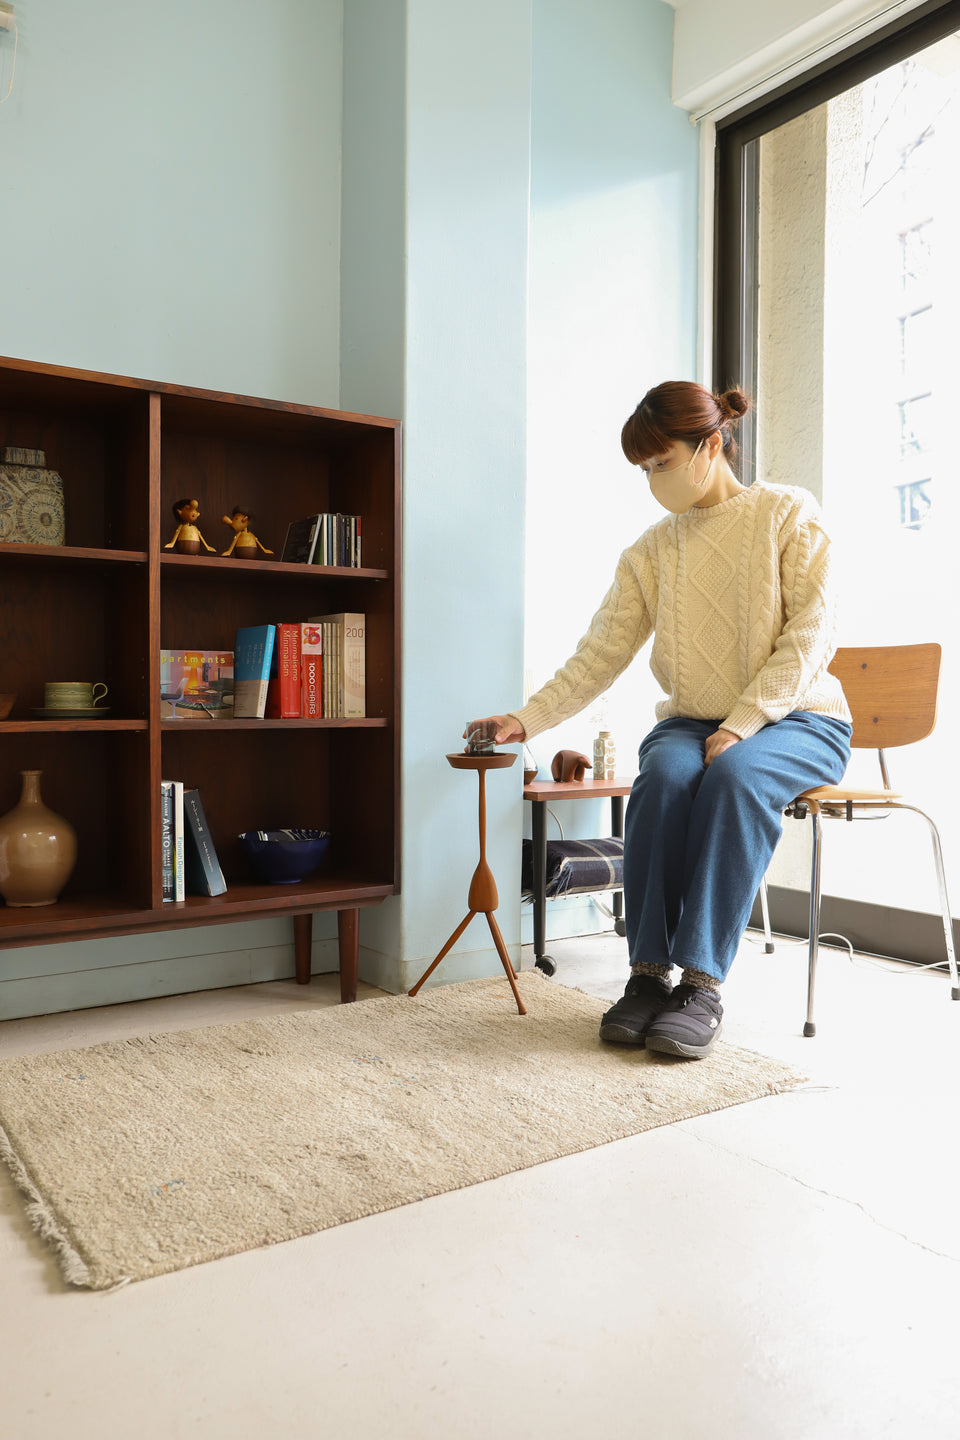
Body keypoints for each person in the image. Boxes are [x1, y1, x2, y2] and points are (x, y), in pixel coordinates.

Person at [470, 380, 852, 1059]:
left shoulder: (789, 514)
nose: (653, 481)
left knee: (734, 777)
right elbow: (601, 654)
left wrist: (741, 723)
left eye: (661, 463)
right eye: (644, 470)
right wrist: (526, 720)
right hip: (693, 722)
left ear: (711, 445)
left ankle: (701, 986)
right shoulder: (651, 552)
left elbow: (812, 635)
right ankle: (648, 977)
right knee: (663, 777)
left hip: (797, 720)